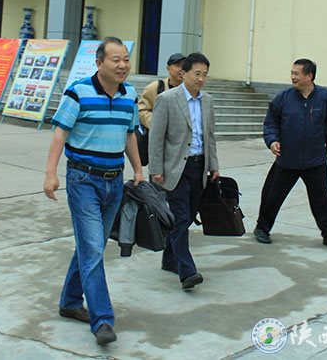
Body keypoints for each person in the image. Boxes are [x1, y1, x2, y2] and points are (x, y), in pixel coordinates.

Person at [44, 37, 144, 346]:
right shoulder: (78, 92)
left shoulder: (130, 94)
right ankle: (102, 320)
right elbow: (60, 132)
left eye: (125, 59)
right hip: (83, 180)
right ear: (99, 63)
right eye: (115, 59)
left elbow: (130, 135)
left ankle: (70, 302)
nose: (122, 65)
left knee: (93, 247)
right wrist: (50, 173)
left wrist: (138, 169)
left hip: (115, 182)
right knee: (91, 249)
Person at [253, 58, 327, 251]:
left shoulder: (325, 97)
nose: (292, 77)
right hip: (287, 159)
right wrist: (272, 140)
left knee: (322, 201)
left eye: (297, 73)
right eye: (292, 73)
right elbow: (271, 122)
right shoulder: (284, 97)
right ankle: (262, 229)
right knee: (272, 196)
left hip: (315, 161)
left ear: (309, 76)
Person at [148, 52, 219, 290]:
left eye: (205, 75)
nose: (201, 79)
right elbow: (156, 138)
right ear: (184, 73)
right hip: (175, 168)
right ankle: (187, 271)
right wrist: (156, 169)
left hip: (199, 167)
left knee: (187, 217)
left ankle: (169, 259)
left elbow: (210, 137)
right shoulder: (167, 99)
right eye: (197, 74)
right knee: (180, 217)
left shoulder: (208, 101)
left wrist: (214, 166)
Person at [138, 52, 185, 130]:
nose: (181, 69)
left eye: (184, 66)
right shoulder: (155, 87)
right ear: (168, 68)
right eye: (178, 65)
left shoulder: (189, 90)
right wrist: (157, 124)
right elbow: (142, 110)